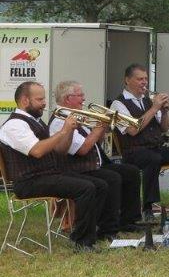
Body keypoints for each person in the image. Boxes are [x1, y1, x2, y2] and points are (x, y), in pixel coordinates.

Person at [0, 81, 104, 251]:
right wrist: (63, 131)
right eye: (40, 99)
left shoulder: (35, 121)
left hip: (44, 175)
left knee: (98, 184)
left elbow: (60, 150)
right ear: (25, 101)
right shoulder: (14, 125)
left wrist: (69, 132)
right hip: (28, 182)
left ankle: (92, 232)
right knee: (86, 188)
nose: (44, 103)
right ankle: (82, 242)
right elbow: (37, 151)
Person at [111, 63, 169, 218]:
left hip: (156, 147)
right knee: (152, 159)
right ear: (127, 80)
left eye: (146, 79)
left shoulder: (148, 100)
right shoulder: (118, 104)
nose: (144, 82)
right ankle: (148, 207)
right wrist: (155, 108)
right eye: (140, 79)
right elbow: (133, 130)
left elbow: (164, 128)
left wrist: (163, 111)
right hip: (133, 151)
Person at [50, 80, 143, 231]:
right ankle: (107, 227)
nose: (84, 99)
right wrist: (99, 127)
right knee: (112, 178)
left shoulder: (77, 115)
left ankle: (128, 221)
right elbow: (83, 149)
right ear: (68, 99)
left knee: (130, 172)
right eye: (80, 95)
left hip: (92, 164)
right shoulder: (61, 120)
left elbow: (94, 143)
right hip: (76, 168)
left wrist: (103, 127)